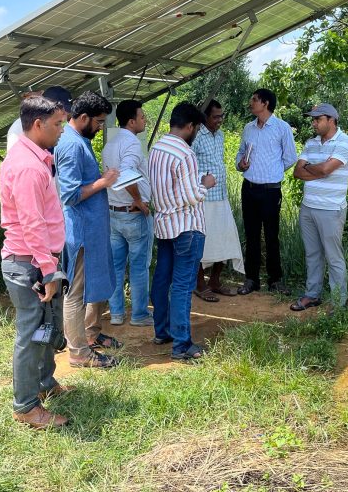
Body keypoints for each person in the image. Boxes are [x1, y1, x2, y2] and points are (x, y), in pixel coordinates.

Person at [0, 95, 69, 429]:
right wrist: (49, 268)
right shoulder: (27, 167)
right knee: (32, 331)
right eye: (57, 124)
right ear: (38, 124)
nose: (62, 130)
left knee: (46, 326)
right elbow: (32, 223)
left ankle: (44, 384)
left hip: (36, 260)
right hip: (29, 263)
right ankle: (26, 407)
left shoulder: (33, 159)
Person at [55, 90, 122, 368]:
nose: (100, 127)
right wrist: (103, 183)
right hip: (81, 232)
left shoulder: (78, 140)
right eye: (98, 122)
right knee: (76, 294)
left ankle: (90, 335)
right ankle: (79, 353)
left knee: (92, 286)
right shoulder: (70, 145)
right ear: (82, 117)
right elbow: (69, 195)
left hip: (92, 230)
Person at [148, 102, 215, 361]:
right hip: (187, 226)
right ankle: (182, 345)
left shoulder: (157, 148)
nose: (196, 131)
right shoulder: (185, 154)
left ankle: (162, 331)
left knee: (162, 280)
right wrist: (205, 184)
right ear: (190, 126)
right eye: (196, 127)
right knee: (183, 286)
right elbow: (191, 196)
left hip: (164, 225)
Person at [290, 103, 348, 311]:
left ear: (331, 120)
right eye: (313, 119)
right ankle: (312, 295)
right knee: (312, 254)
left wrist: (314, 168)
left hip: (331, 209)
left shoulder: (344, 143)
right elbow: (297, 172)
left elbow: (327, 169)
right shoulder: (311, 143)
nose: (313, 123)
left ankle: (338, 303)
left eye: (318, 119)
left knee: (333, 257)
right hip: (308, 207)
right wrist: (317, 170)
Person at [234, 88, 298, 295]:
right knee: (251, 235)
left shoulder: (282, 127)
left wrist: (273, 172)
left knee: (272, 235)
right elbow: (241, 153)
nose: (250, 103)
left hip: (271, 191)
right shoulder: (248, 128)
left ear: (266, 103)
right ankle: (251, 279)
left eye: (254, 99)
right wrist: (240, 164)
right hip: (249, 188)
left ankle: (275, 280)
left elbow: (290, 158)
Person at [101, 99, 154, 326]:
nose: (145, 120)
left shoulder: (109, 144)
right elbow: (126, 172)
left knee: (115, 266)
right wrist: (138, 200)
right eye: (142, 117)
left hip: (113, 211)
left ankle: (116, 314)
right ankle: (139, 314)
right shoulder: (132, 144)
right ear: (131, 121)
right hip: (132, 213)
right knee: (139, 266)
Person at [192, 99, 243, 300]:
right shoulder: (195, 136)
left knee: (224, 239)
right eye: (216, 116)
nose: (220, 120)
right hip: (203, 199)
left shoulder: (220, 135)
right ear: (204, 117)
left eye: (222, 116)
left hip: (221, 196)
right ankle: (200, 283)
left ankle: (215, 280)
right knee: (202, 242)